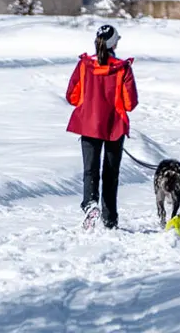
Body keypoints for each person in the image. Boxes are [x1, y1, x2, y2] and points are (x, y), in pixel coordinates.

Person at [65, 23, 138, 229]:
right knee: (110, 173)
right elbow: (130, 103)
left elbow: (72, 96)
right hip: (114, 126)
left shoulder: (84, 65)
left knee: (90, 169)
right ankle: (109, 219)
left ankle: (90, 203)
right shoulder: (123, 68)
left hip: (88, 123)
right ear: (114, 43)